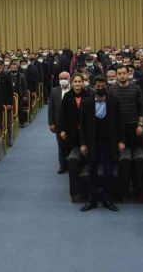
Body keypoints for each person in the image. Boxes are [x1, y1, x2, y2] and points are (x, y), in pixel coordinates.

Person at [79, 75, 123, 212]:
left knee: (108, 173)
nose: (100, 88)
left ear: (106, 86)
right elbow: (83, 126)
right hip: (92, 144)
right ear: (93, 87)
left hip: (109, 143)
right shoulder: (86, 103)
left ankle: (107, 200)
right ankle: (91, 201)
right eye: (97, 86)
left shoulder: (114, 101)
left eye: (102, 86)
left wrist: (121, 141)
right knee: (92, 172)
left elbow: (119, 123)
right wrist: (83, 144)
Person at [109, 65, 143, 202]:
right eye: (119, 73)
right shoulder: (111, 89)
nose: (122, 75)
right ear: (117, 75)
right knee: (123, 161)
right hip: (119, 130)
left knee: (139, 160)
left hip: (134, 128)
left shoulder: (136, 88)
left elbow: (142, 107)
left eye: (124, 73)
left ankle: (139, 191)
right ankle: (123, 193)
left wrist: (141, 124)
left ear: (128, 74)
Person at [60, 73, 89, 202]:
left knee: (86, 159)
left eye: (79, 81)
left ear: (83, 83)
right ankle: (75, 189)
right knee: (73, 159)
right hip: (71, 132)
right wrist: (62, 130)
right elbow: (62, 115)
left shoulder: (89, 95)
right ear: (72, 83)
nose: (77, 83)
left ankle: (86, 188)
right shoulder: (67, 96)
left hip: (86, 132)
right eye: (75, 81)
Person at [49, 71, 71, 173]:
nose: (63, 80)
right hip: (58, 123)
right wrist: (51, 123)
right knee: (61, 145)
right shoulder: (54, 91)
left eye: (65, 78)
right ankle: (62, 165)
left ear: (69, 79)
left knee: (72, 144)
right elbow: (51, 108)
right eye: (61, 79)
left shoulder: (74, 89)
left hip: (71, 122)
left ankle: (72, 164)